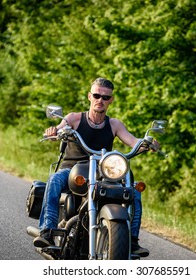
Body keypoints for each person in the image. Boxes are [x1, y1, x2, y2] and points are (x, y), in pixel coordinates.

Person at [33, 77, 159, 257]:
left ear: (111, 100)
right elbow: (60, 129)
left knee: (134, 190)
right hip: (73, 170)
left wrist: (148, 143)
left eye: (105, 97)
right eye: (97, 95)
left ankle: (131, 241)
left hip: (102, 172)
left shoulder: (114, 124)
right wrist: (54, 132)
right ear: (89, 96)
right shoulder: (74, 118)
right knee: (54, 180)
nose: (101, 100)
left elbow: (132, 141)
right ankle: (47, 231)